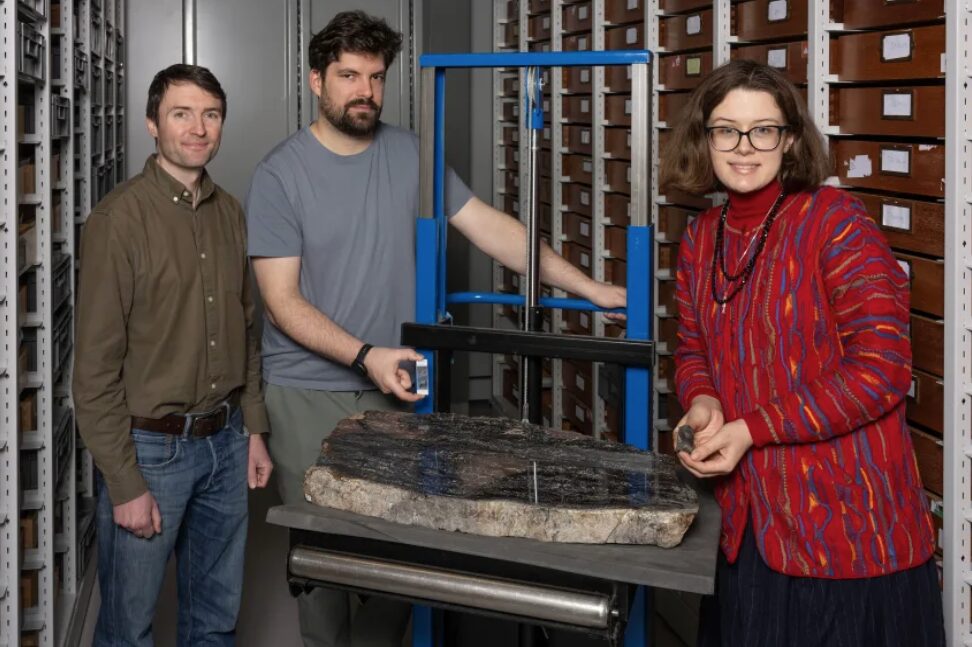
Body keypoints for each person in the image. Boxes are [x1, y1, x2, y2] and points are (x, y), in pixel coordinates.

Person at [245, 9, 626, 647]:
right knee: (326, 561)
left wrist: (588, 288)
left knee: (406, 550)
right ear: (316, 81)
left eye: (375, 76)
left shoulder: (412, 153)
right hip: (309, 387)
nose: (364, 90)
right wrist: (364, 355)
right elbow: (283, 304)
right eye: (347, 75)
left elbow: (494, 229)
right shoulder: (279, 175)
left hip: (399, 382)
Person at [662, 59, 945, 646]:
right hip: (749, 530)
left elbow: (882, 369)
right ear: (704, 137)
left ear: (789, 140)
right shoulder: (701, 238)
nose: (744, 147)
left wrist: (751, 428)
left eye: (762, 129)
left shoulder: (833, 222)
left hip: (846, 535)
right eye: (726, 130)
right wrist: (703, 403)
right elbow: (692, 348)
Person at [73, 64, 273, 646]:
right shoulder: (119, 221)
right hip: (151, 452)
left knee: (215, 620)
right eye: (181, 114)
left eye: (210, 114)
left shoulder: (230, 211)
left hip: (227, 441)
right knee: (127, 629)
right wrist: (125, 483)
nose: (198, 128)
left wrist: (254, 430)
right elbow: (92, 373)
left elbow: (248, 329)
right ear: (152, 125)